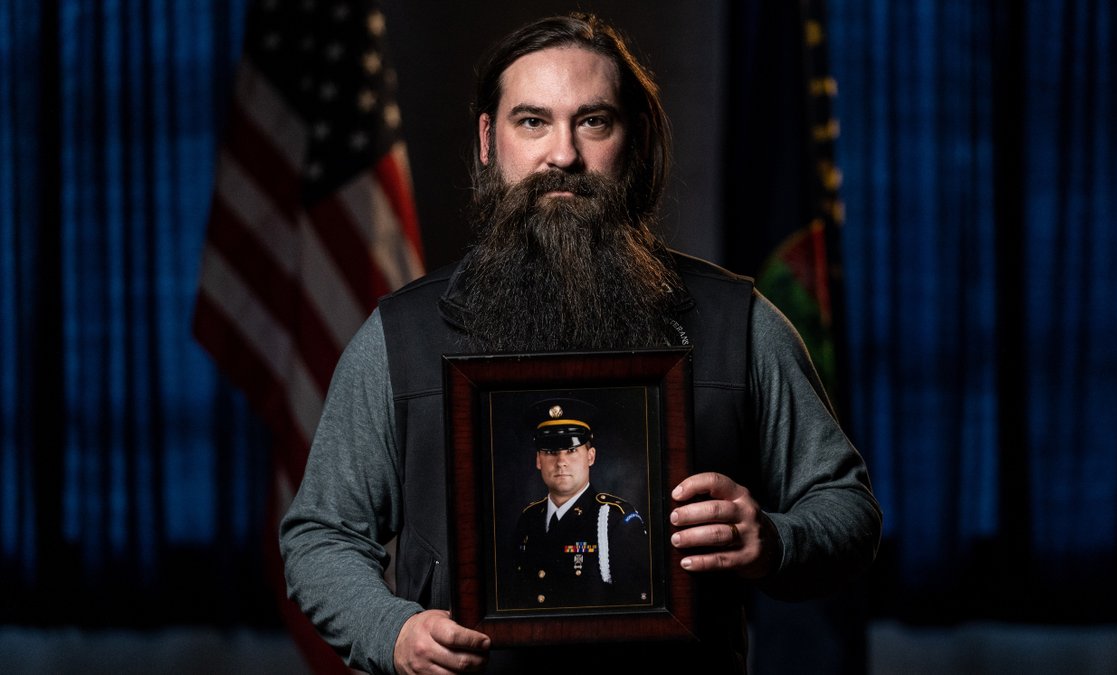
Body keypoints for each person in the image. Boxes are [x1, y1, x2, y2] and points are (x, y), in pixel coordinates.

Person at [280, 12, 881, 675]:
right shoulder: (402, 337)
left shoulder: (738, 322)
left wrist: (775, 539)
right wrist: (389, 629)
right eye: (532, 121)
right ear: (489, 140)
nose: (562, 154)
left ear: (638, 139)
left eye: (593, 121)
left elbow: (848, 508)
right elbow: (320, 534)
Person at [505, 398, 650, 610]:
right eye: (551, 452)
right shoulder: (528, 518)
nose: (561, 461)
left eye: (571, 451)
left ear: (590, 457)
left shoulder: (614, 520)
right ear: (538, 460)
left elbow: (638, 609)